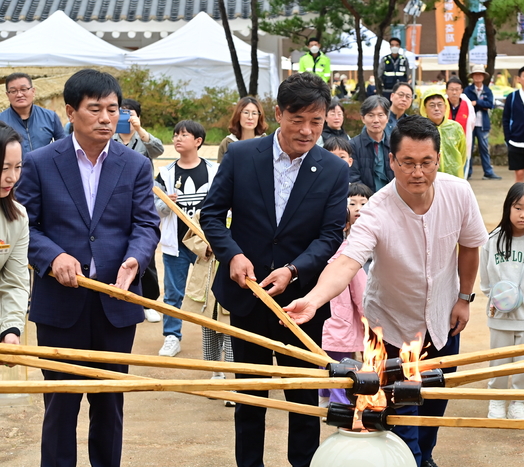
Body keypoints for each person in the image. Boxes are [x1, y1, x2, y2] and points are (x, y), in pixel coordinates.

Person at [284, 115, 488, 467]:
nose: (417, 172)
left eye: (426, 162)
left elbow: (469, 246)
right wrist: (314, 299)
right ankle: (409, 458)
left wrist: (464, 298)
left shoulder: (459, 192)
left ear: (438, 160)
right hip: (390, 329)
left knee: (434, 403)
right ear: (391, 161)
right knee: (398, 413)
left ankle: (424, 456)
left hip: (442, 322)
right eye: (407, 162)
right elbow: (347, 261)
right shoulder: (376, 209)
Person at [199, 72, 349, 467]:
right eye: (297, 119)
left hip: (301, 305)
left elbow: (330, 236)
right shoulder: (242, 156)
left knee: (304, 401)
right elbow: (212, 215)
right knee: (251, 400)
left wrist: (294, 270)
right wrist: (231, 254)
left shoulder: (333, 171)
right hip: (247, 297)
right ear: (279, 114)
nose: (306, 130)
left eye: (316, 122)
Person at [15, 69, 160, 467]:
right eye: (94, 109)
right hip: (61, 304)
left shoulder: (134, 165)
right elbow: (23, 223)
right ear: (70, 112)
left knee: (109, 404)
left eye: (113, 110)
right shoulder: (41, 162)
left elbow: (146, 224)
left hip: (116, 302)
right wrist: (52, 256)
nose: (106, 118)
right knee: (60, 405)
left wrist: (136, 258)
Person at [481, 182, 524, 420]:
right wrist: (493, 299)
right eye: (518, 207)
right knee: (499, 361)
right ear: (507, 207)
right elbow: (486, 279)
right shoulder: (492, 240)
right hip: (499, 315)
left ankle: (518, 402)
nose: (523, 215)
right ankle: (497, 401)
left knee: (523, 363)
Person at [155, 120, 218, 358]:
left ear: (198, 141)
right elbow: (153, 206)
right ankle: (172, 336)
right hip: (177, 243)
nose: (177, 138)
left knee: (213, 291)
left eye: (184, 135)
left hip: (206, 244)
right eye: (175, 134)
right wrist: (166, 204)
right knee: (173, 293)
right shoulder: (167, 173)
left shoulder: (213, 171)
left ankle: (215, 336)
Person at [318, 183, 372, 408]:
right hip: (340, 324)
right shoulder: (347, 254)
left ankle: (324, 398)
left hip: (323, 323)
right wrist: (369, 320)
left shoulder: (315, 251)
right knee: (343, 368)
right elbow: (361, 294)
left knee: (324, 362)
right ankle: (340, 406)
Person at [113, 98, 164, 323]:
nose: (125, 115)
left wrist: (139, 129)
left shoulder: (142, 139)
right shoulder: (110, 137)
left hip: (141, 201)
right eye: (121, 111)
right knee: (118, 251)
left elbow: (159, 149)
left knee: (146, 253)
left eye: (129, 112)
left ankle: (148, 301)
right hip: (114, 201)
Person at [180, 210, 235, 407]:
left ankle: (234, 381)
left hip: (233, 273)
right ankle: (216, 374)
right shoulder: (207, 212)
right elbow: (191, 233)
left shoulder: (248, 208)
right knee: (209, 329)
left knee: (232, 332)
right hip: (208, 274)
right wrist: (206, 246)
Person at [0, 123, 29, 347]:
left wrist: (10, 330)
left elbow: (14, 282)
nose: (12, 178)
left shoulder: (18, 217)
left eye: (17, 167)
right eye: (3, 168)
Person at [0, 72, 65, 154]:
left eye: (23, 89)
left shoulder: (50, 117)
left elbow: (63, 147)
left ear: (33, 91)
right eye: (13, 91)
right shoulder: (1, 121)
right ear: (7, 95)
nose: (19, 94)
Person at [419, 88, 468, 178]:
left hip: (454, 177)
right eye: (432, 105)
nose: (436, 109)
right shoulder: (420, 129)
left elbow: (463, 153)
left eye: (440, 105)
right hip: (429, 179)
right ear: (425, 109)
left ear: (445, 107)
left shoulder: (455, 127)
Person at [349, 95, 393, 192]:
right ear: (363, 118)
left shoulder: (395, 144)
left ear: (387, 118)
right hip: (365, 201)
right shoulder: (353, 145)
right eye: (371, 115)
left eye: (380, 115)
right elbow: (353, 177)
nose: (376, 120)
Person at [464, 64, 501, 180]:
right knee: (468, 148)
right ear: (473, 77)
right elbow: (466, 104)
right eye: (476, 75)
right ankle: (467, 172)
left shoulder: (487, 90)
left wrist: (476, 103)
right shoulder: (467, 90)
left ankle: (488, 172)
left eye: (480, 75)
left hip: (483, 124)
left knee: (484, 148)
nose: (478, 77)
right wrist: (480, 104)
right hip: (470, 124)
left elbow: (490, 105)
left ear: (483, 76)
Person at [113, 98, 164, 166]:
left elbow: (159, 151)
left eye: (130, 115)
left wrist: (139, 129)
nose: (127, 119)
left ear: (138, 117)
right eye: (122, 115)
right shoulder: (108, 139)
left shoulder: (144, 138)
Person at [218, 96, 268, 163]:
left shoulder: (267, 143)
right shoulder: (226, 144)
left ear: (259, 117)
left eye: (254, 113)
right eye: (246, 112)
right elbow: (221, 171)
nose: (250, 117)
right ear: (238, 115)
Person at [445, 77, 476, 172]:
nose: (454, 92)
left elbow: (472, 123)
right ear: (446, 91)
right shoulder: (441, 104)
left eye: (457, 89)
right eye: (451, 89)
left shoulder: (468, 105)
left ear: (461, 90)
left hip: (462, 142)